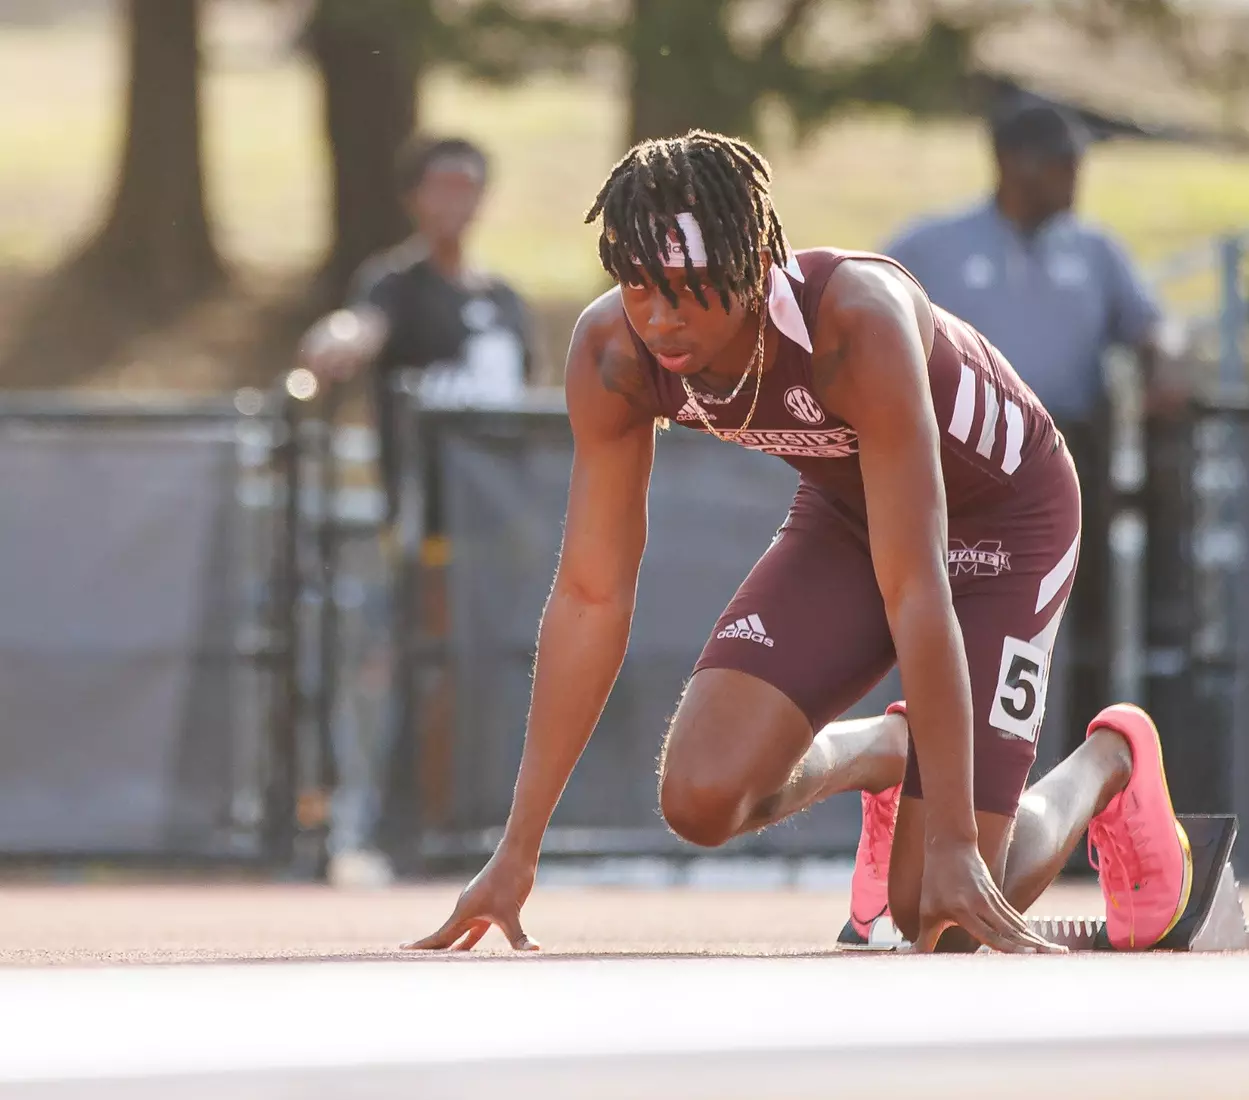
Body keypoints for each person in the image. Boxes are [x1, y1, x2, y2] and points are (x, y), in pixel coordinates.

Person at [403, 130, 1193, 955]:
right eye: (639, 287)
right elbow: (590, 595)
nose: (660, 319)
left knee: (935, 910)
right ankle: (892, 748)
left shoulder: (855, 320)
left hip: (1008, 518)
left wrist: (958, 844)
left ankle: (1108, 761)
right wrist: (516, 849)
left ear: (749, 268)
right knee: (702, 799)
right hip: (852, 508)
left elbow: (917, 587)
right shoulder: (614, 355)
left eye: (688, 288)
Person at [881, 100, 1185, 803]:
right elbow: (865, 314)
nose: (1075, 177)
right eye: (1062, 163)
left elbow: (1151, 327)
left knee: (1079, 638)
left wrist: (1166, 361)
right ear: (1013, 165)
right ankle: (935, 805)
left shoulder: (1095, 249)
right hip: (960, 463)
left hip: (1066, 463)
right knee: (950, 630)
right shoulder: (933, 245)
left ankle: (1080, 815)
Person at [299, 134, 537, 884]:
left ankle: (485, 822)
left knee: (491, 675)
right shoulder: (395, 284)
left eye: (466, 186)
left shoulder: (502, 302)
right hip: (420, 523)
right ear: (414, 195)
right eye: (439, 186)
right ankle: (390, 827)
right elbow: (358, 328)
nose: (453, 202)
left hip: (496, 528)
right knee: (402, 671)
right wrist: (334, 343)